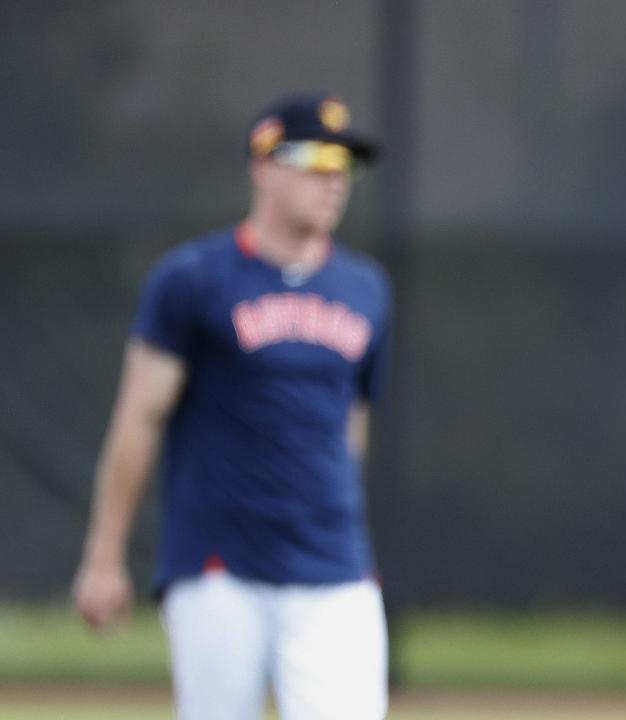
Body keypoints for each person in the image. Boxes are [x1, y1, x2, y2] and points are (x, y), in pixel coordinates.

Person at [71, 93, 394, 720]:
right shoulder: (193, 281)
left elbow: (352, 425)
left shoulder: (367, 290)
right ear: (264, 166)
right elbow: (140, 418)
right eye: (317, 160)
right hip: (221, 566)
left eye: (345, 164)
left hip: (333, 566)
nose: (335, 181)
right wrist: (104, 557)